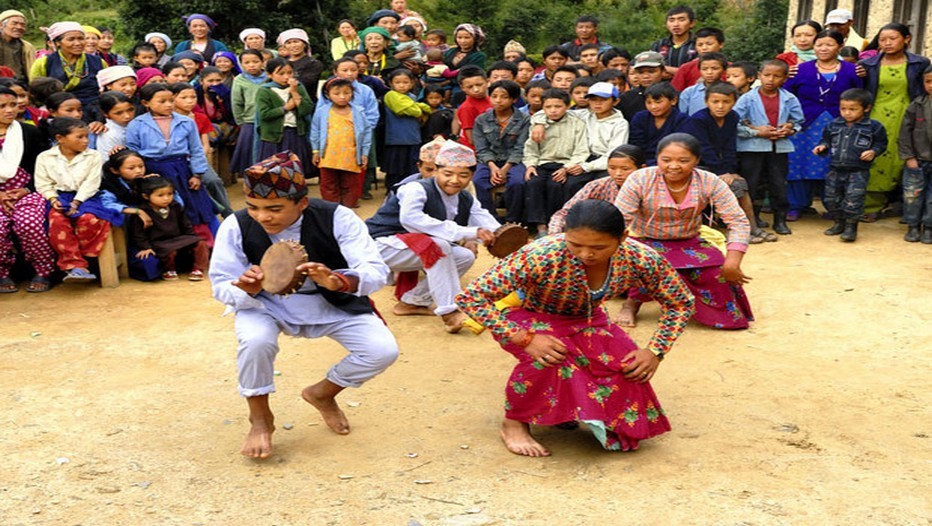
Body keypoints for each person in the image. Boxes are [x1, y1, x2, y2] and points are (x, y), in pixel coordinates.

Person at [456, 199, 694, 456]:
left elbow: (680, 303)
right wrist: (524, 338)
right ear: (563, 235)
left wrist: (656, 351)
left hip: (590, 319)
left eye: (598, 247)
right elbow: (471, 297)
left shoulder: (641, 257)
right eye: (575, 244)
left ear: (622, 238)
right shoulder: (541, 253)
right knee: (552, 355)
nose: (585, 254)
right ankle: (514, 422)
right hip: (529, 317)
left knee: (628, 367)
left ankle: (568, 409)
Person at [209, 151, 398, 459]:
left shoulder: (338, 216)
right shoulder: (237, 224)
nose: (262, 216)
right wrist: (246, 289)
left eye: (274, 208)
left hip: (331, 301)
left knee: (381, 350)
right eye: (254, 207)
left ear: (302, 203)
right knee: (255, 342)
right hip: (265, 305)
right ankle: (260, 419)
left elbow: (375, 270)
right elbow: (220, 283)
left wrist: (338, 281)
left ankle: (323, 393)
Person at [615, 133, 753, 330]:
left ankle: (705, 309)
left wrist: (732, 262)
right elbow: (619, 220)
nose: (673, 166)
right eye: (666, 160)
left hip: (689, 241)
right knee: (647, 264)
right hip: (645, 240)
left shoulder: (710, 181)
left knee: (718, 273)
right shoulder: (639, 179)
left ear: (696, 160)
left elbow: (738, 221)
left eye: (683, 160)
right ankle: (631, 303)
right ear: (656, 158)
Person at [366, 140, 500, 333]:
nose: (455, 180)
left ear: (471, 176)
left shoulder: (465, 198)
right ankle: (450, 312)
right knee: (439, 246)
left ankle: (413, 302)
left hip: (411, 247)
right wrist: (469, 232)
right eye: (448, 173)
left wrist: (502, 236)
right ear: (436, 171)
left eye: (463, 175)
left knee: (465, 256)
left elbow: (486, 220)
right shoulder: (415, 188)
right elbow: (411, 220)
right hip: (380, 244)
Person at [783, 30, 863, 221]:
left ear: (840, 46)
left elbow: (860, 95)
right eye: (819, 44)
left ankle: (833, 206)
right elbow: (786, 96)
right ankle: (796, 205)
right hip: (804, 124)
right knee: (798, 163)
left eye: (829, 44)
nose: (823, 48)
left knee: (833, 165)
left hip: (839, 126)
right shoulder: (800, 69)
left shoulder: (852, 70)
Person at [126, 83, 219, 241]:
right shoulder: (137, 124)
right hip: (154, 171)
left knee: (198, 206)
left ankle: (210, 243)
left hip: (182, 169)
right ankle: (179, 244)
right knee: (167, 206)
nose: (168, 105)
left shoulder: (186, 122)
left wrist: (197, 174)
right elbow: (132, 151)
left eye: (171, 100)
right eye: (162, 101)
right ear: (145, 103)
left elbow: (196, 149)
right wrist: (142, 176)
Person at [684, 81, 772, 243]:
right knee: (735, 185)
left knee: (740, 182)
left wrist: (730, 171)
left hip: (718, 166)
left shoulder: (732, 117)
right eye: (715, 102)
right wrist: (721, 172)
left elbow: (730, 146)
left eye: (726, 102)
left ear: (734, 102)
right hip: (697, 165)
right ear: (706, 102)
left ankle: (751, 228)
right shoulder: (698, 120)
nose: (720, 106)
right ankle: (740, 233)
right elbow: (704, 149)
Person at [858, 23, 931, 220]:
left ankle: (905, 206)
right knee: (877, 157)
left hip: (909, 116)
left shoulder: (920, 63)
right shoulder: (868, 65)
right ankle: (872, 206)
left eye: (893, 38)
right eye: (882, 40)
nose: (887, 43)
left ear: (906, 39)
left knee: (906, 157)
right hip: (877, 117)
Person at [34, 117, 118, 283]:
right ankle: (75, 265)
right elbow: (43, 183)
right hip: (59, 196)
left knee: (89, 219)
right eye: (79, 137)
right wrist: (52, 199)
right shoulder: (45, 157)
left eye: (86, 136)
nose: (85, 141)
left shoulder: (93, 156)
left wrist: (77, 202)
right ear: (60, 138)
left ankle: (85, 262)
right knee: (57, 221)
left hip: (87, 197)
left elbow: (92, 183)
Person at [735, 60, 803, 235]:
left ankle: (780, 220)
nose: (771, 79)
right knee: (753, 184)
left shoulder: (789, 98)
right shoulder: (747, 98)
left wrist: (789, 128)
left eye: (777, 76)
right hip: (752, 149)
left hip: (778, 148)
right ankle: (753, 218)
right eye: (766, 75)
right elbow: (735, 123)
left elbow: (798, 121)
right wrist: (757, 132)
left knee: (778, 183)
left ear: (785, 79)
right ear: (759, 76)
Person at [813, 88, 887, 242]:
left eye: (853, 109)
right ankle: (838, 223)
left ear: (866, 108)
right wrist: (822, 147)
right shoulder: (833, 125)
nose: (847, 113)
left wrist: (873, 151)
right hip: (835, 169)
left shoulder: (873, 126)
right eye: (843, 109)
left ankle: (851, 228)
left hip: (858, 170)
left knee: (854, 199)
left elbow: (881, 143)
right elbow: (825, 140)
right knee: (831, 198)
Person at [0, 86, 54, 293]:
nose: (9, 110)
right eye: (2, 106)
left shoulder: (29, 132)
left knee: (29, 223)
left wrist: (26, 190)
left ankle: (43, 270)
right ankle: (2, 273)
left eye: (12, 105)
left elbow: (41, 167)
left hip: (26, 191)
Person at [523, 88, 589, 236]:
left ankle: (555, 224)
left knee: (555, 185)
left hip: (564, 163)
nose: (553, 111)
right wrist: (531, 165)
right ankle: (540, 226)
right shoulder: (538, 124)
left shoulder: (577, 123)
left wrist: (567, 168)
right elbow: (531, 148)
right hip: (542, 163)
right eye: (548, 107)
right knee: (533, 183)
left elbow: (581, 150)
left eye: (558, 106)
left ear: (567, 106)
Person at [548, 145, 646, 233]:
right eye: (612, 168)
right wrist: (555, 232)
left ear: (642, 168)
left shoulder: (649, 189)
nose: (618, 174)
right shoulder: (597, 186)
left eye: (625, 169)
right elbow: (565, 212)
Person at [129, 175, 209, 280]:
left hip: (179, 239)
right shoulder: (143, 212)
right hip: (159, 242)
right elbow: (138, 233)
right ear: (146, 196)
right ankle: (169, 270)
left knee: (201, 243)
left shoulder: (175, 206)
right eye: (160, 195)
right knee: (169, 250)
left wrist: (191, 237)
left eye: (170, 194)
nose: (166, 198)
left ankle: (198, 269)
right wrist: (145, 247)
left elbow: (185, 224)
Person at [472, 80, 529, 223]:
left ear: (514, 99)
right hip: (489, 161)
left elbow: (521, 147)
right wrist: (492, 166)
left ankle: (513, 221)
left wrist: (505, 168)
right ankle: (491, 221)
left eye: (504, 97)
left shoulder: (524, 120)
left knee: (518, 183)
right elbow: (481, 148)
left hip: (515, 161)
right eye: (494, 96)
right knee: (478, 181)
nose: (498, 100)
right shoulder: (482, 120)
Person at [311, 78, 373, 209]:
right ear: (328, 94)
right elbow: (315, 132)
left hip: (350, 156)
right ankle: (331, 209)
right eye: (336, 93)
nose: (342, 97)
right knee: (328, 185)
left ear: (352, 94)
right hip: (328, 157)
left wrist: (364, 154)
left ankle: (347, 210)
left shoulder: (359, 112)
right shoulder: (322, 112)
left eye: (346, 93)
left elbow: (367, 133)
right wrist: (315, 151)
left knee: (351, 185)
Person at [30, 23, 107, 122]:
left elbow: (106, 90)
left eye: (81, 38)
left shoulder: (98, 62)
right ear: (58, 43)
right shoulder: (43, 63)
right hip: (58, 116)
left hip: (95, 114)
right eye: (71, 39)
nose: (78, 43)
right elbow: (35, 92)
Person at [254, 58, 314, 174]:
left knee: (294, 169)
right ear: (269, 74)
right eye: (281, 74)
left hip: (295, 133)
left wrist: (295, 92)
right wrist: (285, 108)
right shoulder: (265, 90)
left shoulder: (298, 87)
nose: (286, 77)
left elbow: (307, 109)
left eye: (289, 73)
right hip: (273, 137)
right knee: (274, 170)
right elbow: (264, 114)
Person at [899, 65, 932, 243]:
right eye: (928, 81)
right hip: (917, 161)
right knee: (913, 195)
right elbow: (904, 133)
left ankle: (928, 227)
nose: (931, 85)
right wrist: (909, 157)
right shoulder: (916, 105)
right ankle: (912, 226)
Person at [382, 69, 429, 190]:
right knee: (396, 168)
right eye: (397, 82)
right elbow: (404, 109)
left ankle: (409, 190)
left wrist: (420, 108)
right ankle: (393, 191)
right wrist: (420, 109)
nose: (402, 85)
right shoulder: (391, 95)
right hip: (397, 138)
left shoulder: (412, 96)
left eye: (405, 82)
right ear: (391, 84)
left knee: (411, 167)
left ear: (412, 83)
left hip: (412, 137)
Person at [629, 82, 689, 165]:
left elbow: (681, 146)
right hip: (643, 162)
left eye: (658, 102)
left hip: (671, 161)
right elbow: (636, 145)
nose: (653, 106)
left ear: (673, 101)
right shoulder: (640, 117)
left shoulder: (682, 119)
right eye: (649, 102)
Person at [230, 50, 267, 178]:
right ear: (241, 65)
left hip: (269, 120)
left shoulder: (269, 78)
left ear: (263, 63)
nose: (252, 65)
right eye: (247, 63)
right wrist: (240, 121)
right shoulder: (239, 80)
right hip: (249, 120)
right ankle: (251, 179)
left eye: (255, 62)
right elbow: (236, 103)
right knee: (249, 152)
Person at [671, 28, 726, 92]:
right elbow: (675, 92)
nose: (704, 48)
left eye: (709, 44)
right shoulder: (686, 68)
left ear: (721, 44)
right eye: (700, 45)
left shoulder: (730, 68)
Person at [277, 29, 323, 103]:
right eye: (289, 43)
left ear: (304, 44)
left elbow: (305, 83)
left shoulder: (314, 63)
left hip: (306, 103)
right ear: (284, 46)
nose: (293, 45)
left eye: (296, 41)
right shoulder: (281, 63)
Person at [617, 51, 665, 121]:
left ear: (662, 71)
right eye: (640, 72)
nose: (646, 76)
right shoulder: (626, 98)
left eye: (651, 71)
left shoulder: (673, 95)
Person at [650, 5, 697, 75]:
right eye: (671, 20)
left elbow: (698, 71)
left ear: (692, 23)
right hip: (662, 85)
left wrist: (666, 69)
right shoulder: (658, 45)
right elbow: (650, 68)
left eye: (681, 20)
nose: (676, 24)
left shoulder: (699, 44)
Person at [455, 66, 491, 149]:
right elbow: (471, 138)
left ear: (488, 82)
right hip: (478, 151)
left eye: (479, 85)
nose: (476, 90)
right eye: (470, 87)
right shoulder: (467, 108)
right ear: (462, 88)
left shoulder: (493, 100)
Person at [94, 92, 135, 162]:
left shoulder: (138, 124)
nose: (127, 116)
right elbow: (107, 161)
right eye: (119, 113)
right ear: (106, 114)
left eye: (130, 110)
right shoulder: (109, 134)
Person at [0, 10, 36, 81]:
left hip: (20, 85)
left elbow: (31, 71)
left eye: (22, 24)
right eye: (14, 23)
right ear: (1, 25)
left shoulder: (27, 47)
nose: (19, 27)